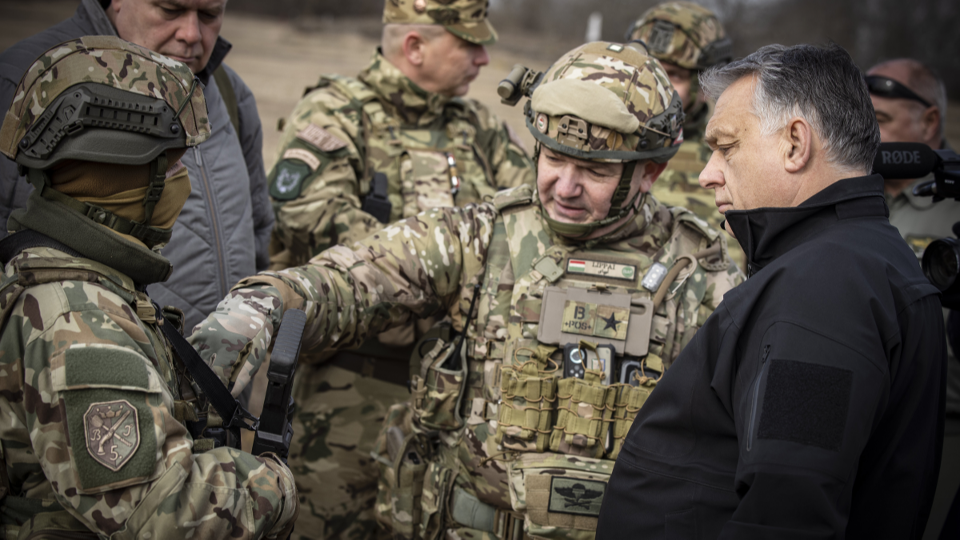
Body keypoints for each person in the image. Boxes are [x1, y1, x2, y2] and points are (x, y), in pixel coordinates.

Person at [189, 41, 742, 540]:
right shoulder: (481, 234)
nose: (564, 187)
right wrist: (263, 303)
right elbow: (352, 279)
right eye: (553, 159)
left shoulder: (704, 274)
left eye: (594, 171)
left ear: (650, 171)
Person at [597, 43, 946, 539]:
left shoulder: (825, 289)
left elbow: (786, 514)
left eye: (727, 146)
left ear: (794, 144)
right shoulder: (856, 259)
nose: (706, 172)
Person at [0, 37, 297, 539]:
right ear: (125, 176)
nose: (184, 182)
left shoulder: (52, 265)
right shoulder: (79, 322)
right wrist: (276, 483)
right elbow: (169, 513)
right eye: (175, 165)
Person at [265, 0, 535, 537]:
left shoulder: (478, 125)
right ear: (415, 46)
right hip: (352, 389)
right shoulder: (337, 112)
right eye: (469, 44)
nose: (484, 58)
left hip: (453, 403)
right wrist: (449, 271)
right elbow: (312, 219)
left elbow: (529, 217)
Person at [0, 0, 273, 331]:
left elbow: (259, 227)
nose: (191, 33)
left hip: (217, 373)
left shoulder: (230, 94)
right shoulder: (28, 86)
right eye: (170, 10)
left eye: (209, 15)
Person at [865, 58, 960, 540]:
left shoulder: (956, 208)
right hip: (860, 424)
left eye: (879, 121)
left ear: (929, 122)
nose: (866, 132)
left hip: (943, 434)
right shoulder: (852, 197)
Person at [625, 1, 744, 268]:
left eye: (673, 75)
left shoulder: (733, 160)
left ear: (704, 84)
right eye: (647, 69)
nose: (654, 87)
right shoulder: (604, 144)